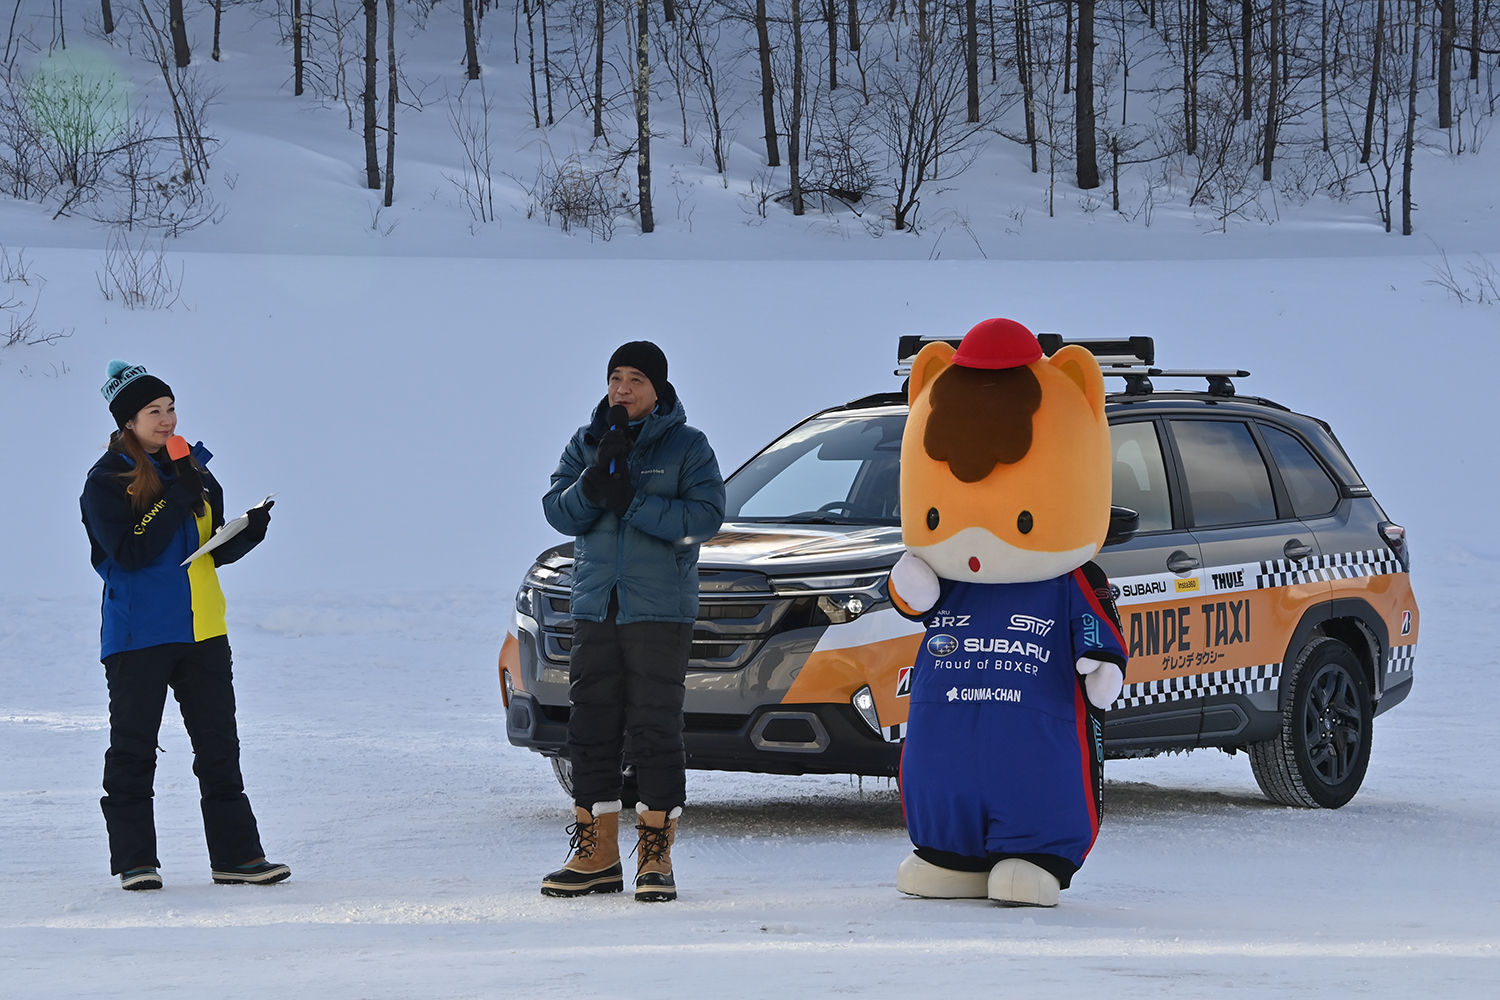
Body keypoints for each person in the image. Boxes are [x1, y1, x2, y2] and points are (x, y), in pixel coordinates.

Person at [80, 360, 289, 892]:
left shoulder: (193, 469)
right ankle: (136, 862)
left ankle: (237, 858)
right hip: (138, 636)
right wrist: (175, 491)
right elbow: (130, 553)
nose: (168, 420)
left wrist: (247, 532)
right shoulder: (105, 482)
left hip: (204, 631)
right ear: (128, 420)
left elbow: (204, 550)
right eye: (154, 411)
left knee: (219, 747)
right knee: (133, 749)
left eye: (171, 408)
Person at [540, 341, 725, 902]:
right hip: (597, 605)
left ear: (658, 389)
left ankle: (655, 859)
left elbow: (706, 518)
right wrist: (592, 486)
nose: (622, 389)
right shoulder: (587, 440)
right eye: (615, 377)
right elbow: (556, 509)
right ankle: (595, 856)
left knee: (654, 729)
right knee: (590, 728)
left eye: (635, 379)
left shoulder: (689, 446)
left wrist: (634, 502)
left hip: (659, 610)